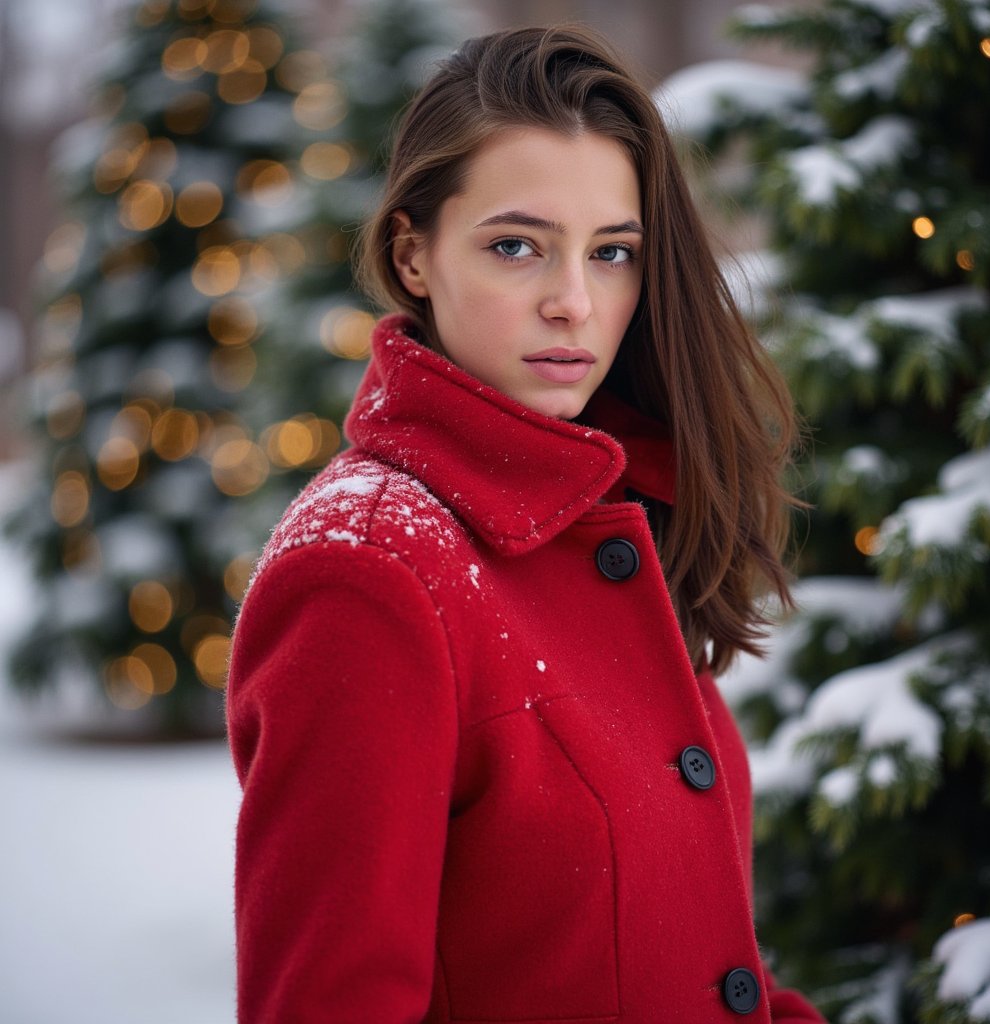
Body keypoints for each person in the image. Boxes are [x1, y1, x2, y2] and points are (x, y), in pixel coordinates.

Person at [227, 24, 824, 1024]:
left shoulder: (622, 513)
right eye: (516, 246)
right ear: (413, 253)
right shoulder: (364, 570)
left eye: (613, 252)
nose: (574, 302)